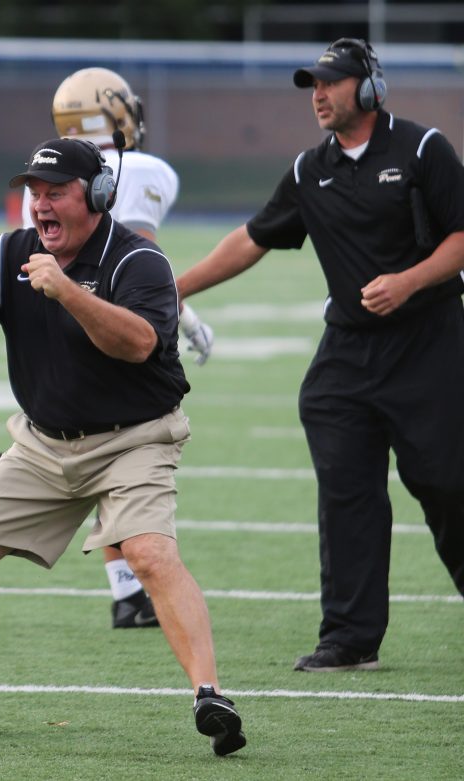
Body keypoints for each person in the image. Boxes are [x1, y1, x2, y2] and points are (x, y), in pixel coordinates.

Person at [0, 137, 246, 757]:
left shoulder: (139, 262)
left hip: (135, 436)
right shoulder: (10, 253)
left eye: (56, 193)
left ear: (99, 197)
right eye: (33, 193)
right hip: (43, 443)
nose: (40, 205)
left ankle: (210, 695)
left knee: (148, 553)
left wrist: (67, 291)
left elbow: (137, 344)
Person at [175, 39, 464, 672]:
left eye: (330, 83)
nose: (318, 95)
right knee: (346, 495)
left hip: (430, 344)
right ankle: (350, 637)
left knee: (447, 484)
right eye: (312, 85)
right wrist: (172, 289)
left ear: (369, 89)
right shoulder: (311, 169)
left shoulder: (422, 149)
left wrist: (410, 280)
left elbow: (462, 234)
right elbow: (253, 238)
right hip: (348, 355)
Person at [0, 67, 214, 631]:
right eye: (38, 194)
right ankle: (125, 591)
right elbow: (139, 258)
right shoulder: (127, 171)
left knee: (102, 424)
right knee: (106, 422)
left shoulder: (60, 177)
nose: (42, 203)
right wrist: (183, 313)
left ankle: (127, 594)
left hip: (88, 329)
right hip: (89, 338)